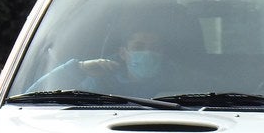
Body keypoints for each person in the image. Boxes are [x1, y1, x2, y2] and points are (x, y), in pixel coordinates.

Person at [28, 29, 176, 94]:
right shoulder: (100, 82)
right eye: (138, 47)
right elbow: (31, 98)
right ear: (123, 53)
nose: (147, 53)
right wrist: (78, 68)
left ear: (163, 53)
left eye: (154, 48)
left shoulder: (180, 80)